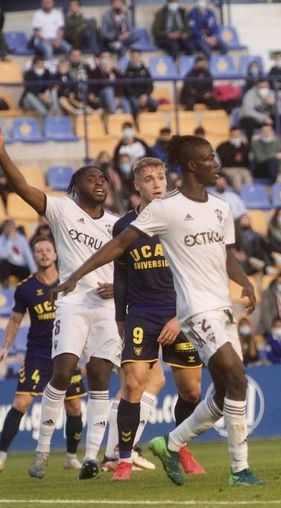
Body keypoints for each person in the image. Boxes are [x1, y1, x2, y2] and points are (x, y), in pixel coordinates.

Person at [50, 135, 262, 487]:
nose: (216, 163)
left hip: (217, 308)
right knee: (226, 377)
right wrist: (76, 275)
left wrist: (246, 282)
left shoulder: (222, 208)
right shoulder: (164, 210)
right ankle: (236, 469)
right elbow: (118, 247)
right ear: (192, 165)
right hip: (187, 311)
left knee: (216, 391)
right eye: (210, 158)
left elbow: (226, 257)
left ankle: (172, 442)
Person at [0, 133, 120, 481]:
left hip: (106, 307)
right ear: (74, 186)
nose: (99, 182)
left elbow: (132, 264)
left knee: (99, 378)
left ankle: (92, 457)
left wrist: (121, 287)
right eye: (91, 178)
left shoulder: (116, 224)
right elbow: (20, 185)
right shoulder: (62, 209)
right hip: (72, 302)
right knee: (64, 371)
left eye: (102, 178)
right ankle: (41, 451)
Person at [101, 157, 204, 481]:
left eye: (161, 177)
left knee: (191, 393)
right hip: (141, 315)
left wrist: (179, 317)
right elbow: (120, 277)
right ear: (137, 185)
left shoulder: (181, 220)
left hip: (180, 314)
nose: (157, 183)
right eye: (149, 178)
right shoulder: (124, 227)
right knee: (132, 384)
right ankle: (125, 460)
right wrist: (120, 318)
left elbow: (195, 274)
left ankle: (178, 445)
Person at [0, 237, 86, 473]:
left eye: (48, 250)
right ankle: (1, 454)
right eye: (39, 251)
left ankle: (70, 457)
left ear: (56, 255)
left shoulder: (70, 282)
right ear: (34, 256)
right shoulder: (25, 288)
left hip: (67, 352)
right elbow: (15, 321)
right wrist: (5, 345)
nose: (44, 254)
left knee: (75, 407)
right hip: (38, 353)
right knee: (21, 402)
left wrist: (86, 352)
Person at [90, 51, 132, 115]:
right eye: (104, 57)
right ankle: (113, 114)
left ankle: (128, 121)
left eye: (108, 57)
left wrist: (118, 97)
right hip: (102, 98)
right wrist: (107, 74)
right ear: (100, 59)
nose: (106, 60)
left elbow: (122, 85)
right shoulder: (95, 72)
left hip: (116, 98)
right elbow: (101, 86)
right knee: (108, 90)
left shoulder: (116, 72)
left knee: (125, 102)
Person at [0, 220, 36, 286]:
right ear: (4, 229)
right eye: (7, 228)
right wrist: (10, 241)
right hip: (9, 265)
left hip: (20, 265)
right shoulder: (1, 239)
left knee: (26, 271)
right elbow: (3, 256)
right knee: (3, 263)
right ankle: (5, 283)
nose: (9, 230)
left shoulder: (21, 239)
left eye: (11, 227)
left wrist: (34, 271)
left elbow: (28, 255)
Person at [123, 49, 157, 116]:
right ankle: (136, 124)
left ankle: (147, 121)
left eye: (136, 57)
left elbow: (150, 85)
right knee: (135, 106)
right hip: (133, 96)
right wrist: (138, 97)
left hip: (144, 95)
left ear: (140, 57)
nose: (135, 58)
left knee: (154, 104)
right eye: (133, 57)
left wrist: (145, 95)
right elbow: (127, 87)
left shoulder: (145, 70)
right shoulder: (127, 71)